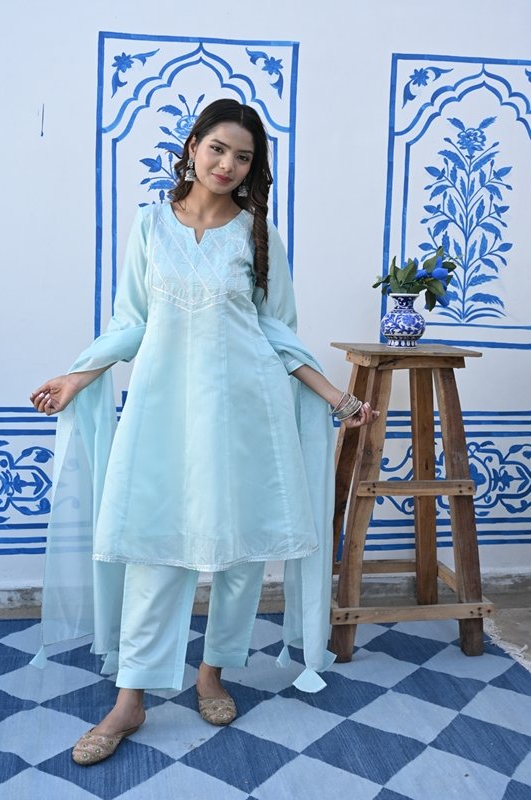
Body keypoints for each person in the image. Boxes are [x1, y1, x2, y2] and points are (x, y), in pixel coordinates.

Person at [30, 98, 379, 765]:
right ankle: (130, 699)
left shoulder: (256, 234)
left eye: (243, 156)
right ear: (192, 146)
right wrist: (79, 375)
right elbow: (132, 320)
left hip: (245, 413)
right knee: (153, 548)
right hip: (163, 414)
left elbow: (276, 330)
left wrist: (336, 396)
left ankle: (212, 674)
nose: (227, 164)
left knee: (237, 553)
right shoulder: (149, 226)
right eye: (217, 148)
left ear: (252, 167)